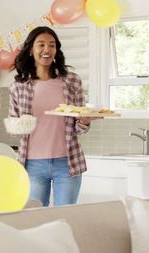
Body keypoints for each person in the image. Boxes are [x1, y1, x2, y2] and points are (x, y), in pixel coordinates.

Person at [9, 26, 97, 207]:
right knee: (35, 218)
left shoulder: (71, 81)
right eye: (41, 45)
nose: (47, 50)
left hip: (67, 162)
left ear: (57, 50)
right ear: (31, 50)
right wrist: (20, 124)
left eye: (52, 45)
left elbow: (78, 127)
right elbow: (14, 125)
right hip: (32, 164)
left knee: (65, 216)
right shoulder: (19, 86)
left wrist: (84, 121)